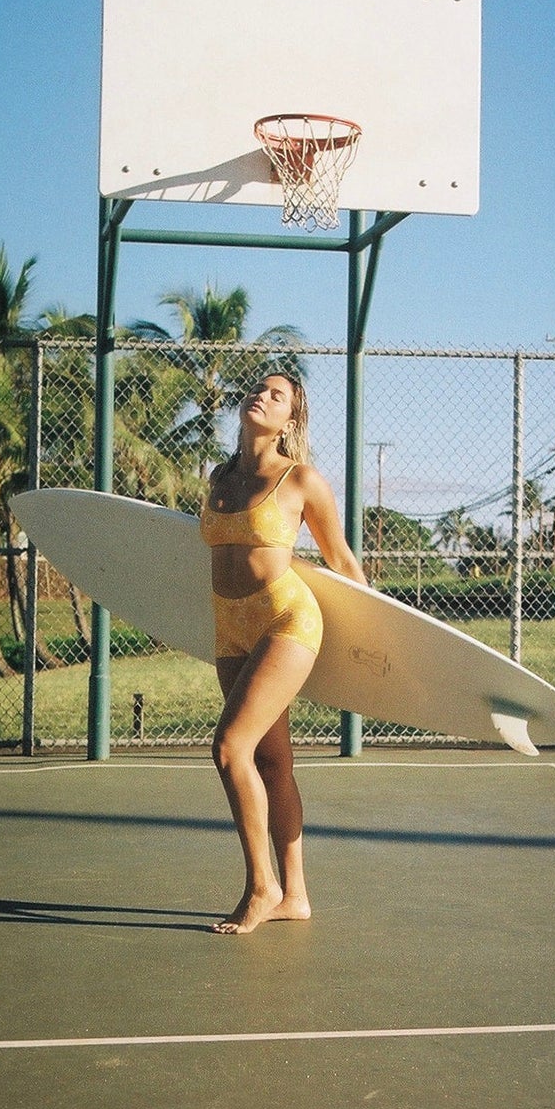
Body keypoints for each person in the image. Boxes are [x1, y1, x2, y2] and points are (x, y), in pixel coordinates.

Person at [200, 371, 367, 934]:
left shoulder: (301, 480)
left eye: (277, 396)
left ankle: (260, 886)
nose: (261, 397)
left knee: (229, 748)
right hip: (230, 630)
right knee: (272, 761)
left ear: (290, 420)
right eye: (257, 389)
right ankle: (295, 894)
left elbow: (342, 562)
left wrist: (372, 644)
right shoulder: (218, 478)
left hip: (285, 620)